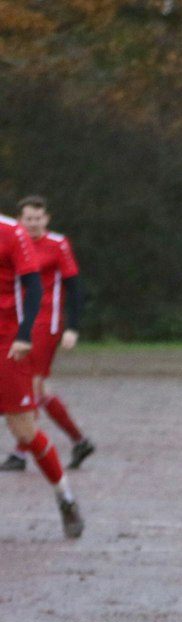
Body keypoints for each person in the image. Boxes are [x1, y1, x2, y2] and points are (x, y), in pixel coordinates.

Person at [0, 210, 78, 537]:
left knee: (24, 430)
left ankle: (64, 496)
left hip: (7, 342)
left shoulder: (11, 232)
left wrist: (23, 334)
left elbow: (33, 286)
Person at [3, 197, 93, 472]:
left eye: (38, 218)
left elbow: (74, 287)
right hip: (17, 323)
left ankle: (21, 453)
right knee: (39, 390)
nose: (33, 223)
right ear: (20, 219)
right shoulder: (12, 241)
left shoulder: (57, 244)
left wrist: (72, 327)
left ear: (46, 218)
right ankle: (79, 440)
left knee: (32, 387)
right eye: (28, 218)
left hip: (45, 324)